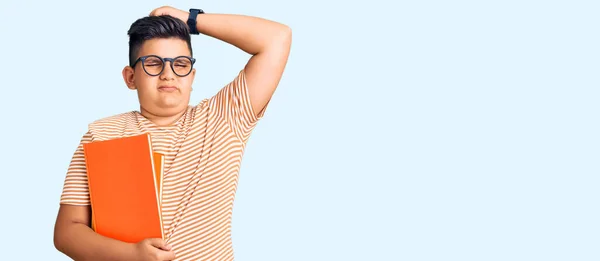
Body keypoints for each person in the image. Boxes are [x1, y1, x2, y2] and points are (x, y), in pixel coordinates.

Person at [53, 6, 291, 261]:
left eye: (180, 64)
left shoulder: (225, 118)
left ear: (192, 76)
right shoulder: (101, 134)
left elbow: (277, 38)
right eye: (153, 63)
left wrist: (191, 21)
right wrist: (132, 254)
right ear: (130, 77)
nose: (168, 74)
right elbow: (67, 232)